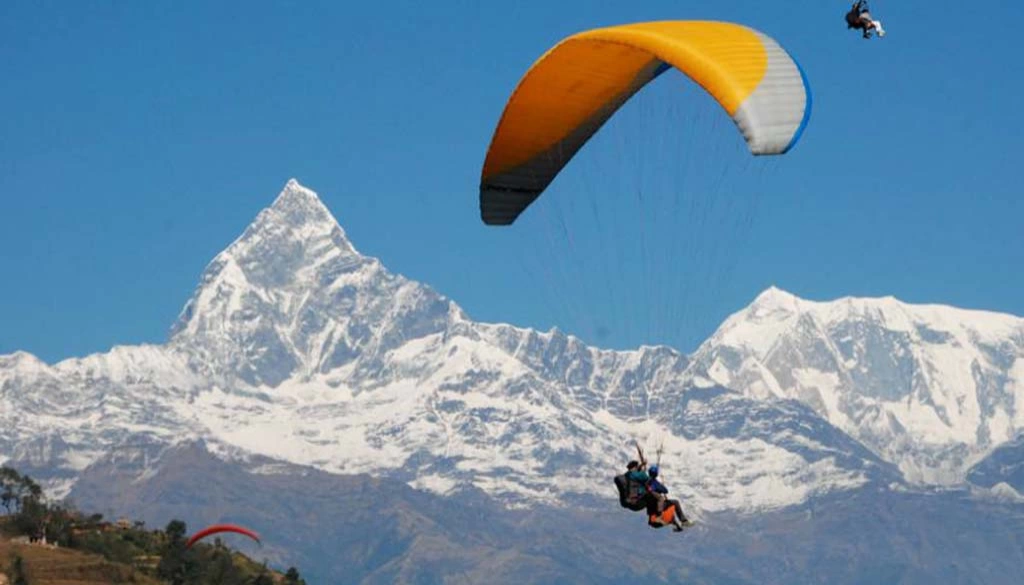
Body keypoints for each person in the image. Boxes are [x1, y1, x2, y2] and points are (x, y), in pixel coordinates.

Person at [645, 465, 693, 532]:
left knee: (668, 508)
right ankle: (683, 521)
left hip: (652, 509)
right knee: (675, 502)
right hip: (657, 507)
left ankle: (678, 526)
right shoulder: (654, 483)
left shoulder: (646, 482)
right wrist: (661, 485)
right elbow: (665, 490)